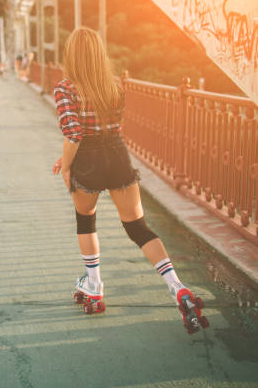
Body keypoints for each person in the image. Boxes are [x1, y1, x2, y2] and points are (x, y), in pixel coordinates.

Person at [52, 28, 208, 334]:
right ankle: (177, 287)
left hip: (87, 160)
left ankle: (94, 286)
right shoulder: (112, 87)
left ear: (71, 56)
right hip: (117, 154)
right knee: (138, 227)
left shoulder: (65, 88)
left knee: (86, 219)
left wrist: (68, 166)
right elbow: (111, 128)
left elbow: (74, 133)